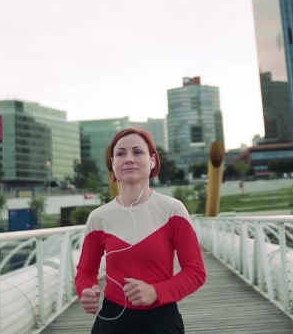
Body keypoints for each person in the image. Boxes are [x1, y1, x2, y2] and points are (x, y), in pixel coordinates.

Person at [75, 128, 206, 333]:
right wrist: (85, 290)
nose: (128, 159)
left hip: (162, 320)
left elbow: (196, 271)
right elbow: (86, 270)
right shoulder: (98, 217)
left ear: (152, 160)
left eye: (137, 152)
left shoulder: (173, 210)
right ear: (113, 164)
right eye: (120, 153)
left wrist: (156, 291)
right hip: (112, 320)